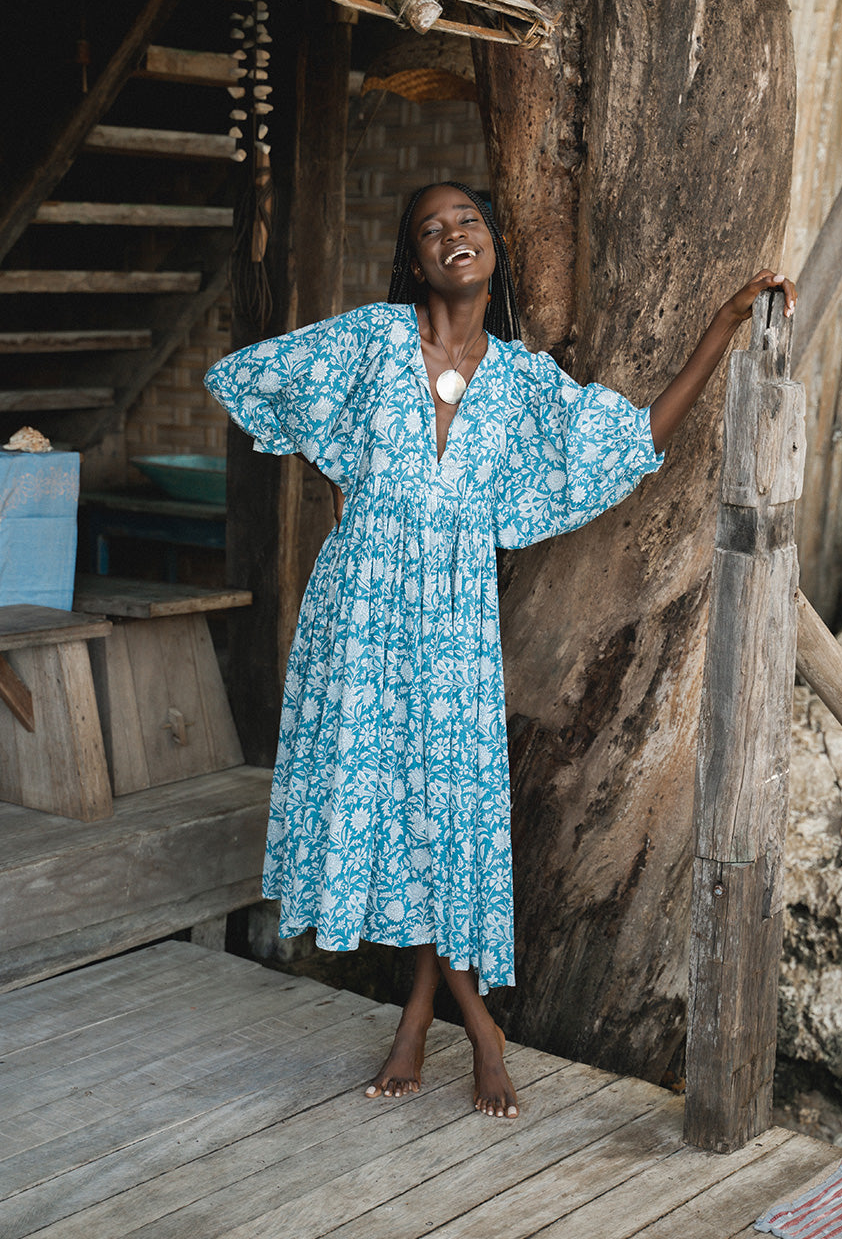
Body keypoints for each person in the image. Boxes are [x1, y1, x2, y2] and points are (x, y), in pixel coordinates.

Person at [205, 181, 797, 1119]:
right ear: (413, 259)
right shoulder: (369, 340)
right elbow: (249, 378)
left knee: (445, 819)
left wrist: (722, 327)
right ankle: (469, 1027)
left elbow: (632, 440)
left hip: (454, 626)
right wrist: (345, 476)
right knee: (389, 809)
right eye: (431, 229)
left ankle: (431, 1020)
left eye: (467, 223)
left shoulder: (522, 386)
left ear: (493, 250)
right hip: (359, 609)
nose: (452, 236)